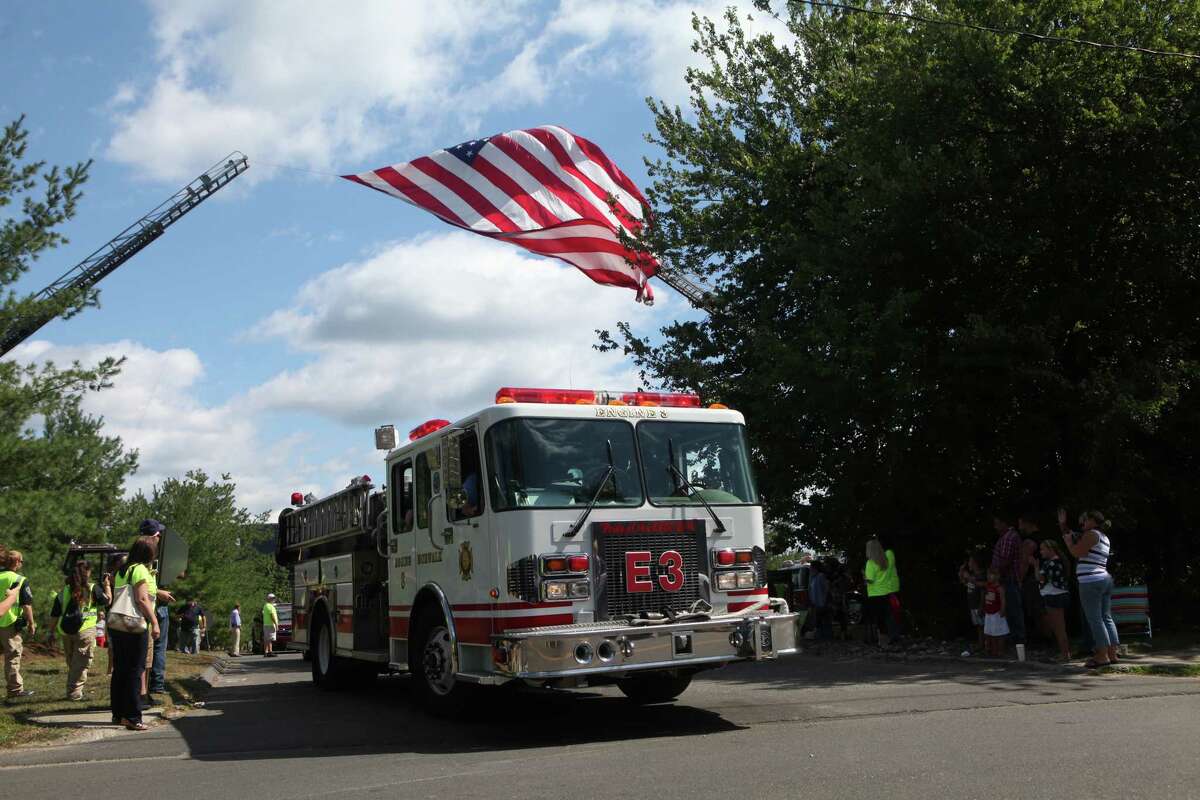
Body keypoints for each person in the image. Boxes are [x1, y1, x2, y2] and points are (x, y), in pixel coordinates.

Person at [110, 536, 160, 731]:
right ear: (149, 553)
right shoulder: (140, 569)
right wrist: (154, 621)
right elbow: (141, 599)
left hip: (118, 624)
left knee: (120, 669)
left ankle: (118, 713)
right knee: (135, 670)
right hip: (135, 625)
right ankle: (132, 716)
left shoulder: (123, 569)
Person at [1060, 508, 1119, 668]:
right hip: (1104, 579)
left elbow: (1077, 552)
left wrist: (1068, 543)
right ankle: (1112, 653)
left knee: (1095, 619)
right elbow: (1073, 535)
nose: (1082, 523)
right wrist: (1063, 525)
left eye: (1084, 520)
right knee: (1106, 617)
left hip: (1091, 581)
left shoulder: (1091, 534)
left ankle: (1101, 656)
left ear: (1093, 521)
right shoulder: (1103, 537)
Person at [48, 560, 110, 700]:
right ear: (87, 572)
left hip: (66, 630)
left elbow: (55, 613)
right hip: (85, 630)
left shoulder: (64, 591)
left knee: (72, 661)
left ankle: (73, 687)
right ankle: (74, 692)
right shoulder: (92, 588)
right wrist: (107, 586)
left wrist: (50, 632)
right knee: (81, 662)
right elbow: (107, 601)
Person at [138, 519, 174, 701]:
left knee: (150, 650)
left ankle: (146, 688)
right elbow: (140, 584)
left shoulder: (138, 552)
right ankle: (153, 686)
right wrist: (159, 592)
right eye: (158, 534)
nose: (160, 537)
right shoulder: (148, 556)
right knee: (155, 649)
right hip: (152, 608)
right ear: (154, 536)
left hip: (150, 606)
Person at [0, 547, 36, 699]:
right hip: (9, 622)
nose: (22, 563)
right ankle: (15, 690)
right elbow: (26, 605)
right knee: (13, 655)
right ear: (16, 562)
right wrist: (31, 623)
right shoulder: (19, 580)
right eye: (21, 561)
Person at [990, 514, 1025, 652]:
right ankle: (1015, 639)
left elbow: (1005, 560)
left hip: (1008, 578)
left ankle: (1018, 640)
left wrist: (995, 573)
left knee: (1013, 610)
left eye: (997, 523)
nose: (995, 527)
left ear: (1004, 523)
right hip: (1007, 578)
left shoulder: (1008, 537)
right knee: (1011, 610)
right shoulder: (1007, 537)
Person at [1037, 539, 1072, 662]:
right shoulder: (1055, 562)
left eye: (1042, 549)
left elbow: (1040, 578)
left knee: (1059, 627)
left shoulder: (1052, 563)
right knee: (1057, 627)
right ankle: (1064, 652)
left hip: (1054, 596)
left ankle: (1065, 654)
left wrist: (1035, 565)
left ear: (1050, 549)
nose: (1041, 552)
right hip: (1054, 595)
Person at [863, 538, 901, 645]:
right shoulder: (889, 555)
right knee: (891, 616)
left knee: (880, 619)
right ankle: (894, 637)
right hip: (889, 591)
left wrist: (864, 578)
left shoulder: (870, 563)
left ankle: (883, 641)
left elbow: (870, 580)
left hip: (875, 594)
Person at [958, 551, 986, 651]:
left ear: (975, 563)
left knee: (983, 626)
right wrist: (961, 572)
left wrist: (981, 606)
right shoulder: (973, 575)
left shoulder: (980, 575)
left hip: (978, 605)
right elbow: (964, 583)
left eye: (970, 561)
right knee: (979, 626)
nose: (969, 564)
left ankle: (984, 644)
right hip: (973, 605)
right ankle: (981, 644)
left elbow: (983, 591)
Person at [982, 566, 1009, 656]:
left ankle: (1000, 650)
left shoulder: (999, 588)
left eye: (992, 574)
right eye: (988, 574)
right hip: (988, 612)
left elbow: (1003, 599)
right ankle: (992, 649)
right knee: (989, 632)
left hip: (996, 613)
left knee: (999, 632)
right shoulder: (987, 586)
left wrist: (1002, 609)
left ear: (998, 576)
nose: (989, 576)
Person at [808, 561, 831, 640]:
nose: (810, 569)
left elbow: (826, 589)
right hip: (816, 603)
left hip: (822, 603)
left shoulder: (821, 576)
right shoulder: (813, 578)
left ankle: (826, 636)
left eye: (811, 567)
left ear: (815, 568)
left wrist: (825, 601)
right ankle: (820, 636)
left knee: (823, 621)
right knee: (818, 621)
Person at [828, 559, 850, 640]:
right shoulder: (842, 574)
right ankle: (844, 633)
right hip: (840, 597)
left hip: (839, 598)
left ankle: (843, 634)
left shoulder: (836, 575)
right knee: (842, 616)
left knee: (840, 616)